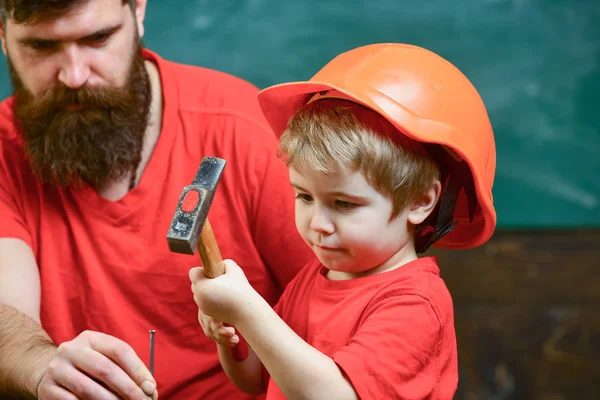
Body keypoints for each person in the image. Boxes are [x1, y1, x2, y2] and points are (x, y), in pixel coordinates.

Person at [0, 0, 314, 399]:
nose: (74, 76)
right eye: (42, 47)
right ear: (5, 41)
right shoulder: (3, 152)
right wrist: (36, 362)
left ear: (138, 12)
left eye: (98, 38)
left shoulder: (244, 130)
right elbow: (4, 312)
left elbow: (347, 307)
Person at [189, 43, 497, 399]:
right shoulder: (313, 279)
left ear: (421, 201)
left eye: (344, 204)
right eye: (304, 196)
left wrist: (247, 307)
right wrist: (234, 330)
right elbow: (256, 379)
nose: (318, 223)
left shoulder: (414, 304)